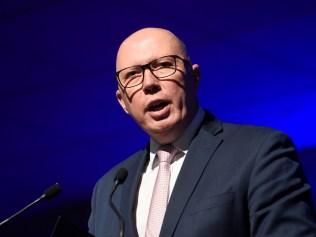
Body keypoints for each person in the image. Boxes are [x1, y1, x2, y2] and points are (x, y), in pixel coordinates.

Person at [88, 27, 316, 237]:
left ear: (194, 77)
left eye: (163, 65)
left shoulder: (259, 152)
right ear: (122, 101)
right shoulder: (108, 190)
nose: (149, 83)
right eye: (133, 75)